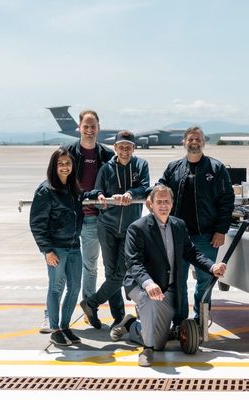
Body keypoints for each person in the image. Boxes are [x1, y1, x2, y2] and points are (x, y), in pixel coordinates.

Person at [110, 185, 227, 367]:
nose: (163, 205)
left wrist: (212, 267)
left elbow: (192, 253)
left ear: (172, 204)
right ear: (150, 204)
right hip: (140, 284)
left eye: (166, 201)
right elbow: (133, 263)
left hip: (167, 288)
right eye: (159, 202)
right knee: (149, 303)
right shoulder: (137, 228)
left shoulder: (178, 225)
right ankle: (147, 349)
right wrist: (148, 284)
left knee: (161, 343)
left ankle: (132, 324)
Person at [39, 110, 114, 334]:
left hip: (93, 219)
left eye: (93, 126)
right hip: (68, 221)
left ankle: (88, 308)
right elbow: (54, 178)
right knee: (58, 275)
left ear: (98, 128)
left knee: (90, 267)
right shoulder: (68, 151)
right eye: (86, 126)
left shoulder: (106, 154)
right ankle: (49, 316)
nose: (90, 130)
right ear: (79, 128)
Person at [156, 126, 234, 330]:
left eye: (198, 139)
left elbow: (227, 200)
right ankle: (180, 321)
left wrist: (221, 230)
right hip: (177, 237)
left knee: (205, 280)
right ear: (184, 142)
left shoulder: (216, 168)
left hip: (207, 236)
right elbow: (159, 189)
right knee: (177, 282)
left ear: (203, 142)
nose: (194, 142)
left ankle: (201, 320)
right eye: (190, 139)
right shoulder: (174, 168)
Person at [80, 130, 150, 330]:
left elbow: (145, 187)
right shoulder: (106, 168)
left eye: (128, 147)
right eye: (121, 147)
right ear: (115, 148)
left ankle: (91, 303)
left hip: (130, 228)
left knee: (120, 273)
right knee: (112, 274)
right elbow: (96, 190)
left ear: (133, 148)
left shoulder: (141, 165)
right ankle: (118, 319)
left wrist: (131, 193)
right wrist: (100, 195)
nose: (125, 151)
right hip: (107, 226)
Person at [29, 148, 84, 346]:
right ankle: (55, 329)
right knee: (56, 287)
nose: (65, 167)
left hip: (74, 246)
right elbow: (37, 223)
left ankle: (65, 326)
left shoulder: (73, 188)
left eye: (68, 163)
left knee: (75, 287)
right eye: (60, 163)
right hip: (57, 249)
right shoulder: (46, 190)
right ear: (54, 166)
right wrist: (47, 250)